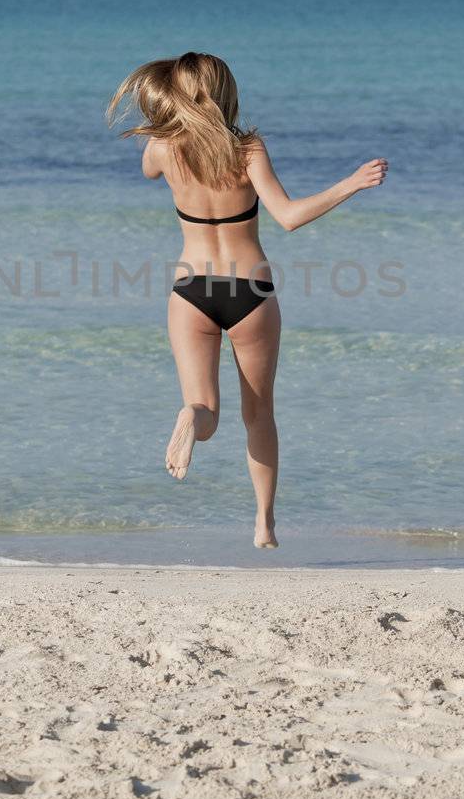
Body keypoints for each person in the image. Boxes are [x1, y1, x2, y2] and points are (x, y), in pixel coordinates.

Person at [107, 52, 387, 549]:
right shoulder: (248, 149)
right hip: (249, 292)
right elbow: (289, 217)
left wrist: (166, 121)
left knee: (203, 405)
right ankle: (264, 524)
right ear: (225, 91)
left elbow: (149, 171)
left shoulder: (162, 149)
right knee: (259, 415)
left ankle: (191, 418)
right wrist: (351, 183)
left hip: (191, 291)